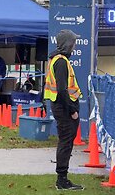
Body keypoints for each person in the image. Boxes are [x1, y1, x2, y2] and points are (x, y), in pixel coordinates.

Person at [44, 30, 84, 191]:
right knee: (65, 143)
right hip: (64, 108)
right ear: (68, 44)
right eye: (73, 42)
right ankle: (62, 180)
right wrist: (72, 110)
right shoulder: (61, 62)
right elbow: (62, 90)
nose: (74, 46)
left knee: (65, 142)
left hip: (60, 106)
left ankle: (62, 178)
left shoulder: (56, 59)